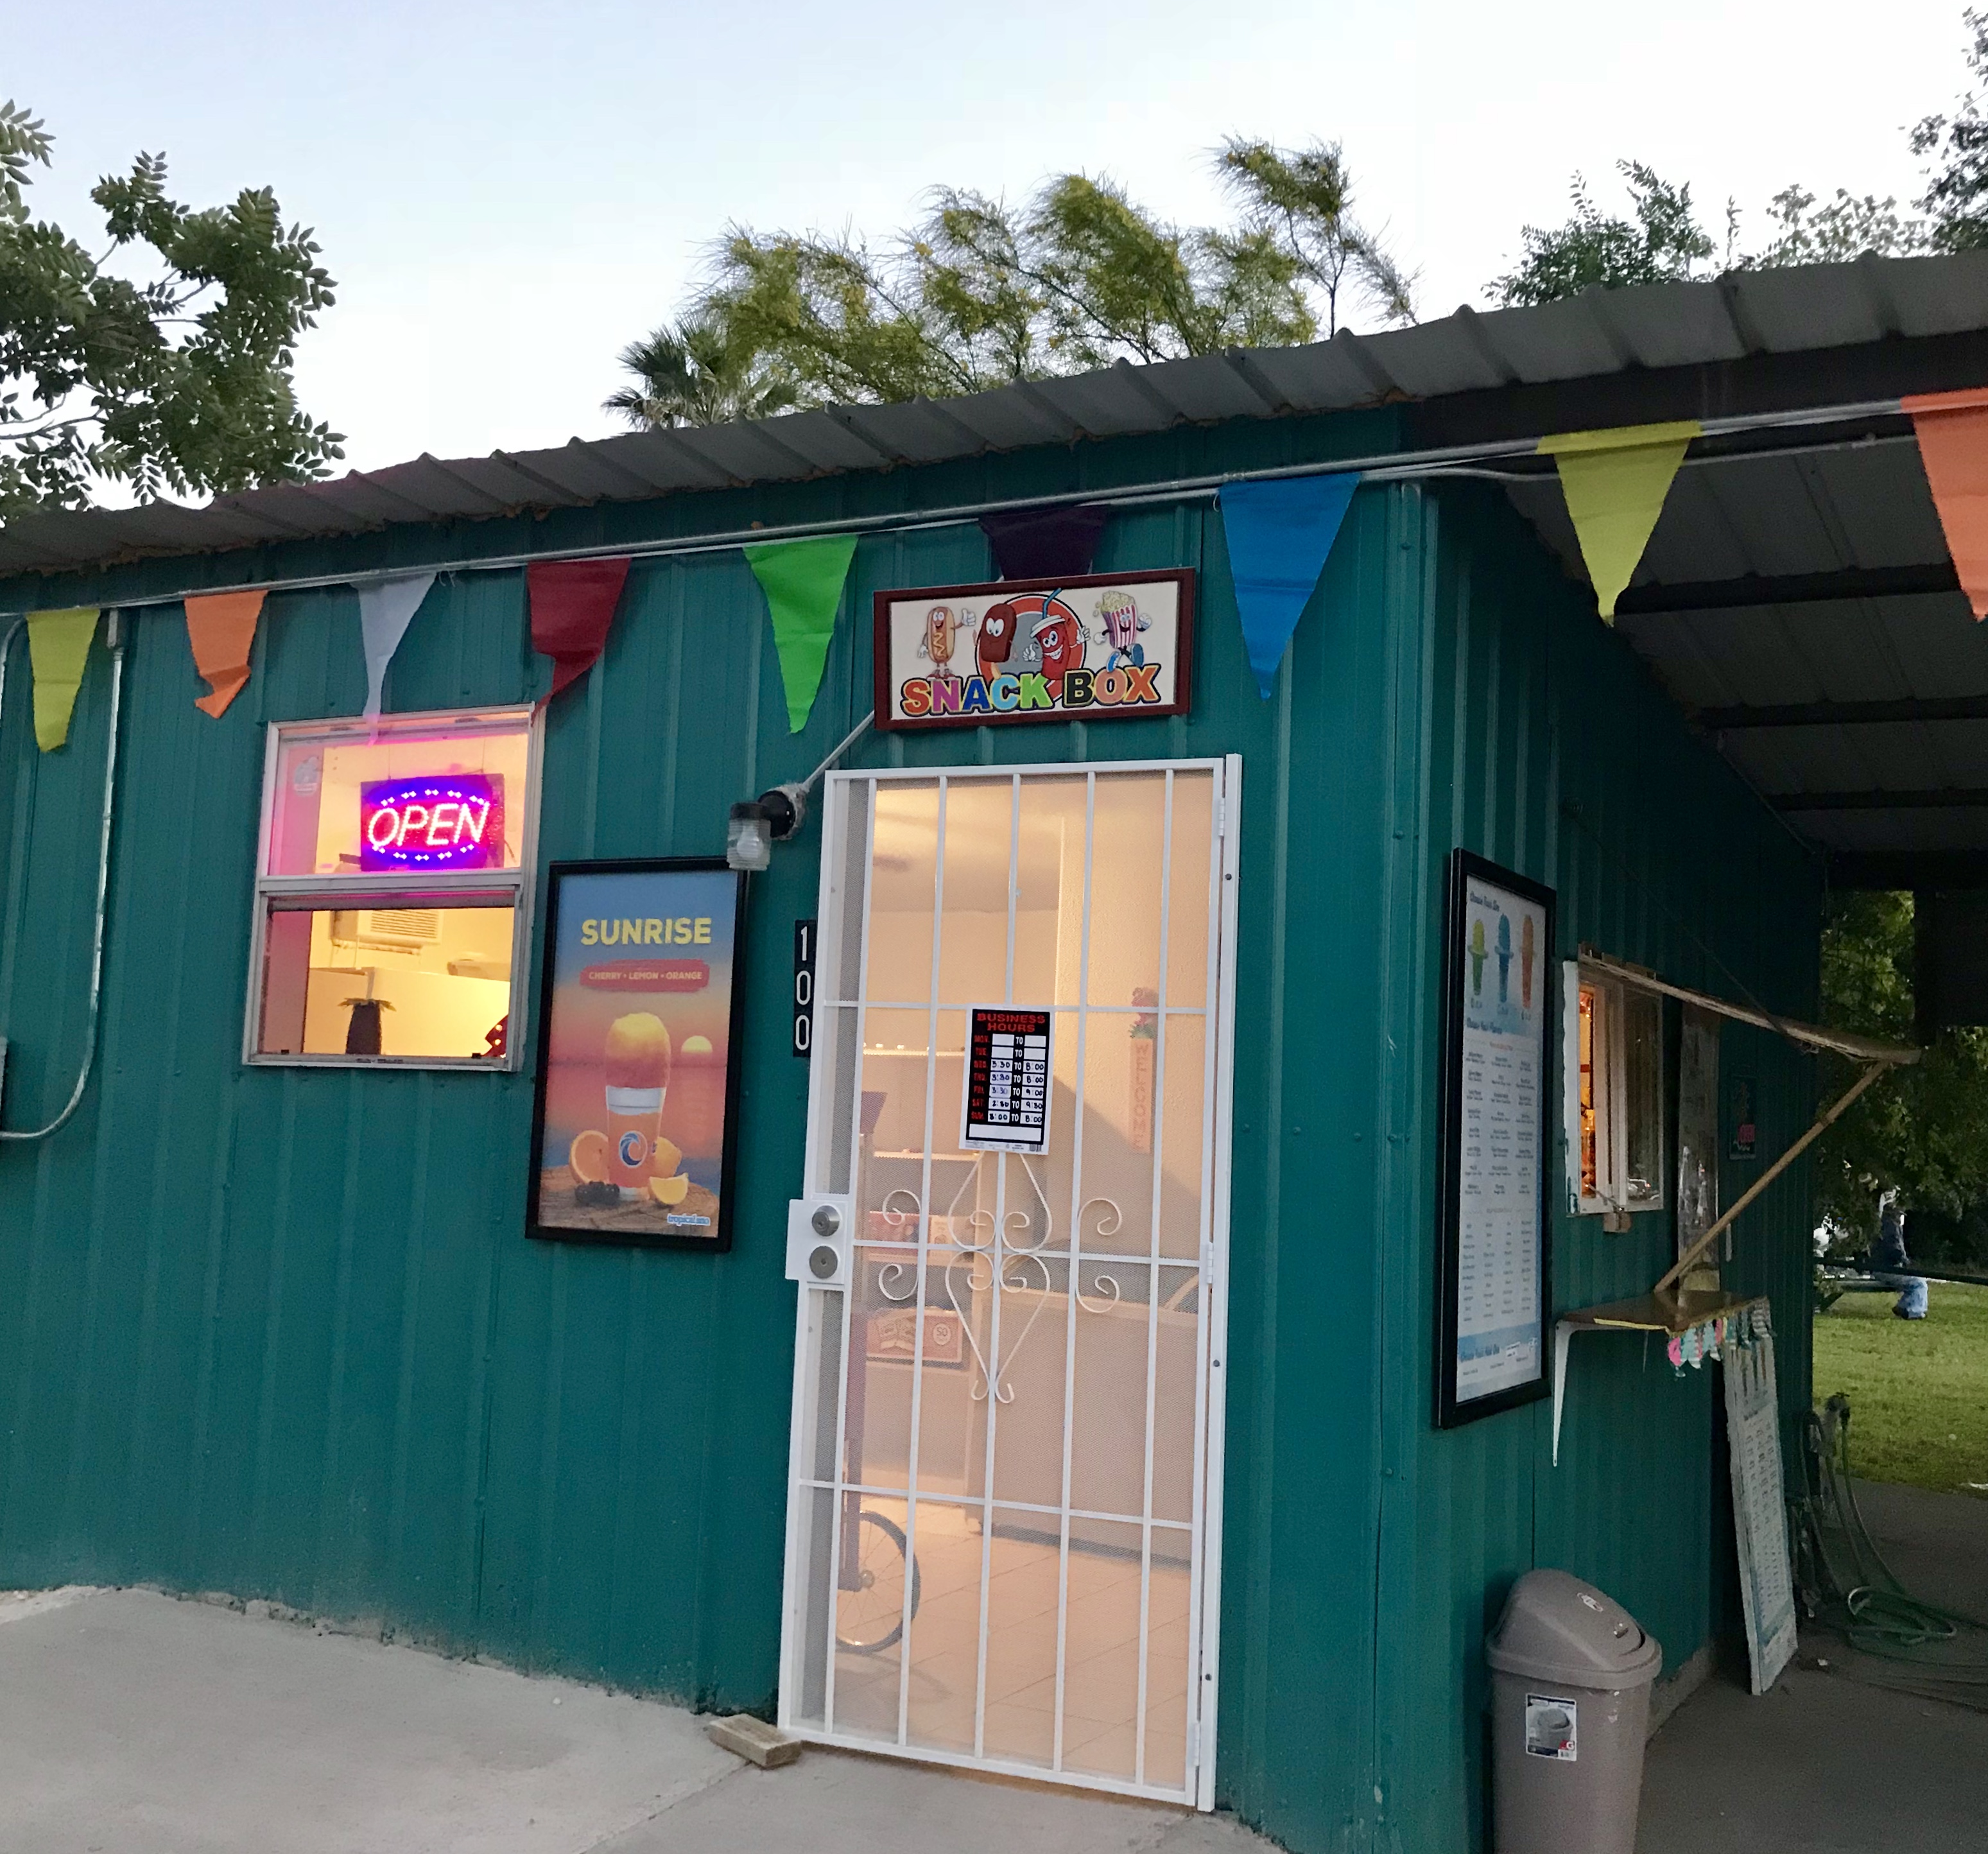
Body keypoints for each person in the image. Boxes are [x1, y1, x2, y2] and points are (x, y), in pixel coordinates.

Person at [1869, 1191, 1929, 1320]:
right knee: (1919, 1283)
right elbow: (1893, 1249)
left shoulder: (1883, 1224)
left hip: (1880, 1268)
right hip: (1886, 1269)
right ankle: (1914, 1312)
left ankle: (1903, 1307)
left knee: (1916, 1282)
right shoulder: (1890, 1226)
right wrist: (1904, 1260)